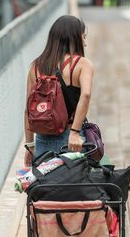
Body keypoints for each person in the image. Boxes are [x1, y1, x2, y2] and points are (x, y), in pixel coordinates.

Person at [24, 15, 95, 166]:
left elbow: (28, 110)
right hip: (72, 139)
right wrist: (75, 132)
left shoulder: (36, 67)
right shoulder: (82, 64)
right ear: (75, 38)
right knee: (73, 184)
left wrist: (30, 146)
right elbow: (86, 95)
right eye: (84, 37)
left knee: (48, 187)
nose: (85, 42)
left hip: (43, 139)